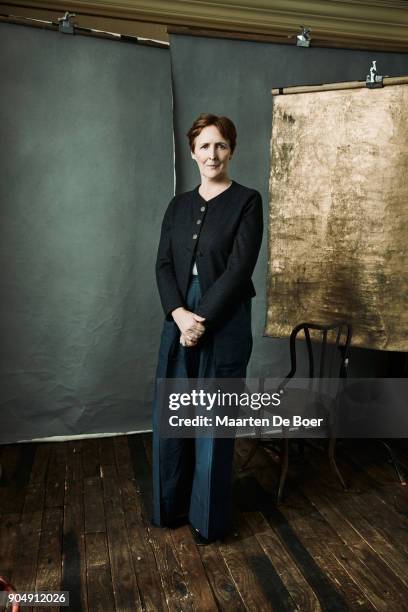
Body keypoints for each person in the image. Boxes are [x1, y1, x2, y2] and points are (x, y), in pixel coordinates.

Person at [152, 113, 263, 544]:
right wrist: (179, 313)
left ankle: (208, 520)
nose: (212, 154)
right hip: (179, 315)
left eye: (220, 145)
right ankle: (171, 508)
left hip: (226, 316)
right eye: (204, 146)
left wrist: (201, 320)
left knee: (214, 419)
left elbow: (239, 268)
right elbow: (163, 264)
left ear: (231, 149)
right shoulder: (177, 206)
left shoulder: (247, 200)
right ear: (192, 151)